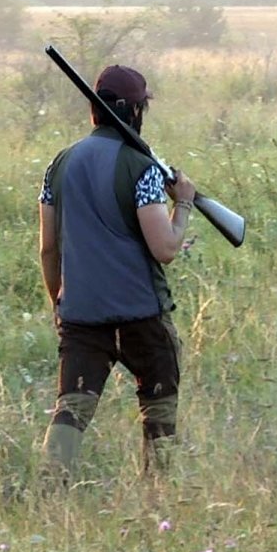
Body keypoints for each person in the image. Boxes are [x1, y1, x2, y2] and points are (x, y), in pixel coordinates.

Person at [37, 63, 197, 480]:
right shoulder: (140, 168)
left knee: (72, 409)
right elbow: (164, 248)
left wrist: (59, 301)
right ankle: (160, 498)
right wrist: (183, 203)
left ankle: (50, 491)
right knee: (158, 408)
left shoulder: (59, 165)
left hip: (82, 314)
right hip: (141, 314)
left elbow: (48, 248)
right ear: (134, 112)